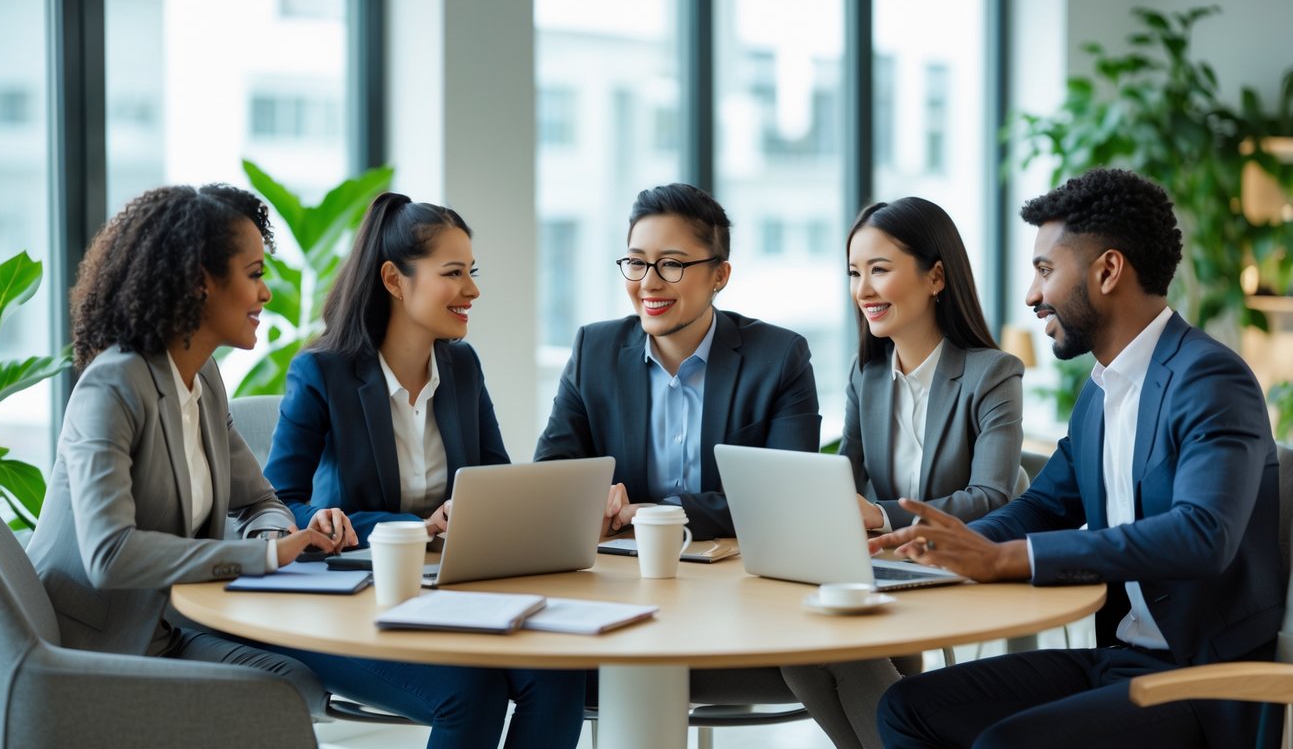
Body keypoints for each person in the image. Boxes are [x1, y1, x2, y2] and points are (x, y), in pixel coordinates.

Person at [872, 168, 1283, 748]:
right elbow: (1043, 505)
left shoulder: (1208, 378)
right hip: (1118, 658)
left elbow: (1203, 534)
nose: (1032, 295)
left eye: (1044, 270)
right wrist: (942, 551)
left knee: (1006, 744)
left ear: (1108, 270)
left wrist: (1008, 558)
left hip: (1202, 679)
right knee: (907, 708)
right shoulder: (1100, 392)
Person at [262, 192, 586, 749]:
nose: (473, 290)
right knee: (470, 694)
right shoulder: (323, 372)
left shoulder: (461, 366)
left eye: (472, 272)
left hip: (449, 593)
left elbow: (496, 482)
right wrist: (405, 528)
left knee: (560, 676)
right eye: (453, 273)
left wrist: (498, 511)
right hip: (355, 600)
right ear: (394, 279)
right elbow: (276, 502)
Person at [26, 184, 344, 716]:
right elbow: (110, 555)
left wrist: (279, 535)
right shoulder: (113, 386)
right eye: (255, 274)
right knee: (280, 700)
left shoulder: (204, 378)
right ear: (201, 283)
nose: (266, 294)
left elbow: (260, 498)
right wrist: (263, 557)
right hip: (84, 654)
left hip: (161, 633)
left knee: (299, 685)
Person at [781, 197, 1026, 749]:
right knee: (797, 654)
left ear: (936, 276)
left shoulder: (993, 374)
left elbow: (991, 498)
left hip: (960, 570)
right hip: (887, 571)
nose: (862, 289)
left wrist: (880, 514)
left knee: (852, 656)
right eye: (854, 272)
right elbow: (844, 479)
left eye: (879, 270)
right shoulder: (867, 375)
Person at [534, 182, 822, 541]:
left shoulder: (779, 358)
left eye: (671, 264)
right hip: (621, 569)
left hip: (735, 574)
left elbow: (789, 494)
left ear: (720, 275)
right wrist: (592, 500)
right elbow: (549, 475)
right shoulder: (594, 351)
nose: (648, 283)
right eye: (637, 262)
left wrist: (663, 514)